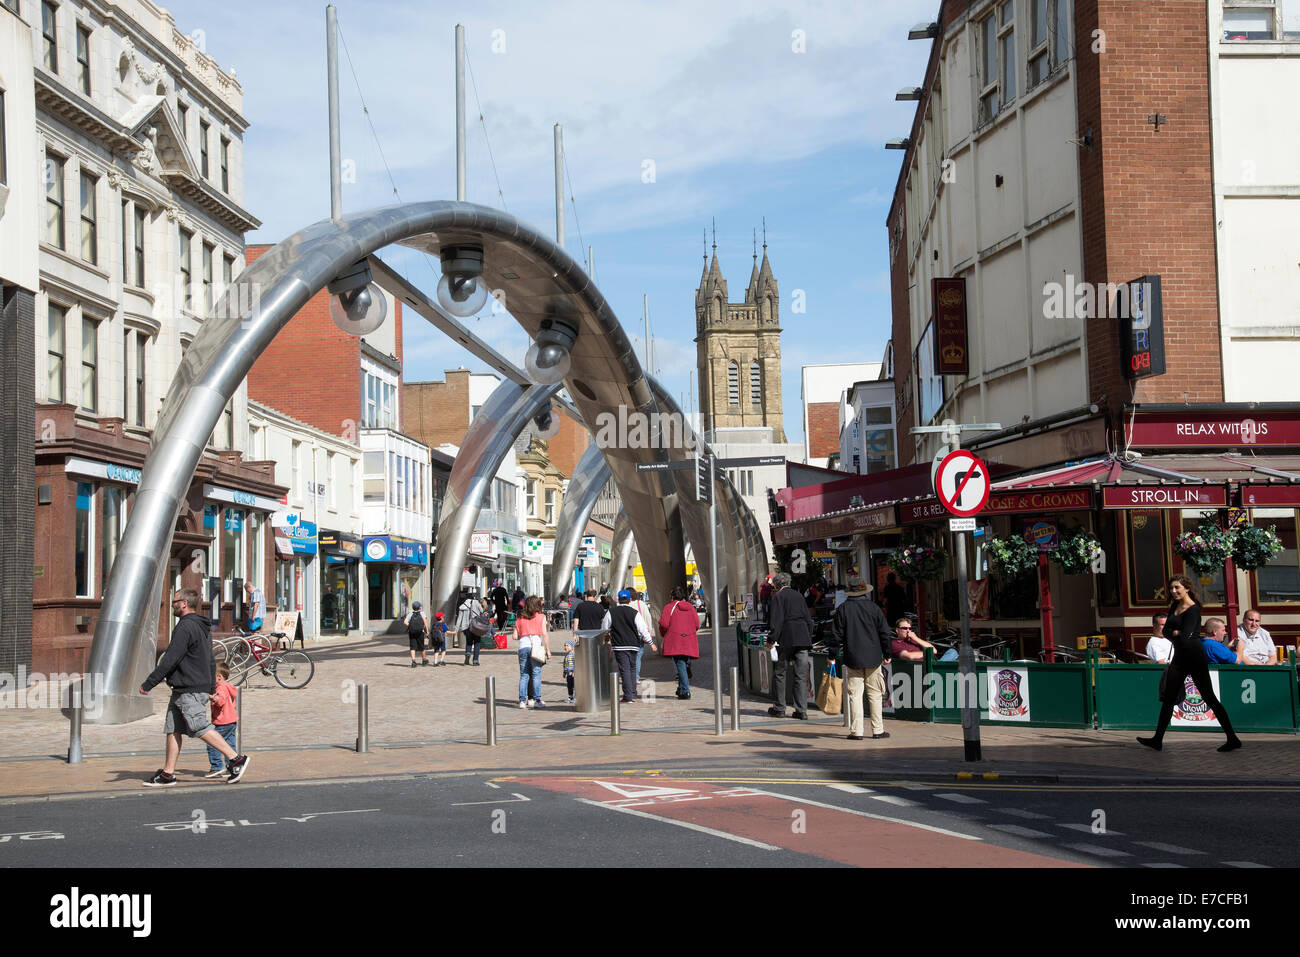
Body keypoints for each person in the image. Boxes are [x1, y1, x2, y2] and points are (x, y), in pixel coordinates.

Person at [140, 588, 250, 786]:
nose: (172, 604)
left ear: (184, 604)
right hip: (186, 687)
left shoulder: (185, 627)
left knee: (199, 726)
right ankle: (168, 773)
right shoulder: (201, 626)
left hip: (189, 687)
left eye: (175, 601)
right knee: (173, 729)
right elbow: (210, 658)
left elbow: (171, 658)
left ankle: (236, 759)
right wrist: (209, 686)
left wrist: (149, 683)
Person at [1138, 576, 1241, 753]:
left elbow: (1185, 636)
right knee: (1169, 698)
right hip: (1180, 657)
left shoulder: (1193, 609)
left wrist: (1176, 632)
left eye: (1177, 587)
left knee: (1209, 698)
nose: (1173, 591)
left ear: (1186, 588)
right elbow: (1168, 632)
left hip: (1194, 657)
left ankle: (1232, 738)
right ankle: (1157, 739)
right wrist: (1176, 632)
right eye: (1171, 588)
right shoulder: (1174, 606)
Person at [826, 578, 895, 740]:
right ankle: (878, 730)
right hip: (873, 658)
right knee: (875, 694)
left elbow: (836, 636)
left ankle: (856, 731)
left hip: (852, 658)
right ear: (864, 591)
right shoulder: (874, 608)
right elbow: (885, 633)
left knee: (855, 695)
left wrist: (832, 656)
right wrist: (887, 653)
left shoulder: (843, 610)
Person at [767, 572, 815, 719]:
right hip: (802, 638)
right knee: (801, 676)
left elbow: (776, 621)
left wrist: (771, 639)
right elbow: (808, 619)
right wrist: (809, 636)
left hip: (785, 639)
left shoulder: (778, 597)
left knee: (780, 673)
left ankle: (780, 707)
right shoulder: (799, 596)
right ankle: (801, 710)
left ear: (776, 584)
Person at [603, 589, 657, 703]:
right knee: (632, 668)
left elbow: (604, 628)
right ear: (629, 599)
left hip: (619, 645)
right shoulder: (634, 612)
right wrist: (651, 643)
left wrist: (606, 637)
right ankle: (633, 693)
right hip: (633, 644)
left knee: (624, 670)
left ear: (618, 599)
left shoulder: (611, 612)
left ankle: (628, 696)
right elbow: (643, 629)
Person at [658, 586, 701, 700]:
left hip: (675, 639)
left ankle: (685, 690)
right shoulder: (691, 607)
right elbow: (697, 624)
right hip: (688, 639)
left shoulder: (669, 607)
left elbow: (664, 624)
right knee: (682, 662)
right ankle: (681, 689)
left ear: (672, 596)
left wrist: (663, 634)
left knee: (680, 663)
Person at [513, 595, 551, 709]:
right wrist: (548, 650)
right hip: (536, 647)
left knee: (524, 674)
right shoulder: (541, 617)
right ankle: (537, 699)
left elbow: (515, 636)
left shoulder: (520, 618)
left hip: (523, 646)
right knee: (536, 674)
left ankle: (522, 701)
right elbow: (544, 634)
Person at [204, 662, 239, 778]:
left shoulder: (221, 687)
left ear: (219, 677)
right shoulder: (228, 686)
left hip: (223, 721)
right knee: (229, 744)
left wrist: (214, 697)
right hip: (231, 720)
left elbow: (221, 700)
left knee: (213, 743)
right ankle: (232, 766)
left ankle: (216, 766)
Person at [631, 588, 653, 684]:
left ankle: (628, 675)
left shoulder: (624, 606)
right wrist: (649, 632)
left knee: (628, 656)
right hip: (639, 634)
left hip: (627, 635)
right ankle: (635, 677)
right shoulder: (641, 604)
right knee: (638, 657)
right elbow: (648, 618)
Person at [457, 591, 485, 666]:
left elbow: (459, 619)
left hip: (466, 627)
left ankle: (468, 653)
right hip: (476, 626)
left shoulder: (462, 606)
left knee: (469, 642)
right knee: (477, 643)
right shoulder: (476, 602)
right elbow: (482, 611)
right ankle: (475, 660)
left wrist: (456, 630)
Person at [403, 601, 429, 668]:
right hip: (420, 632)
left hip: (412, 632)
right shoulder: (422, 613)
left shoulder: (410, 614)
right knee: (422, 646)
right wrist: (427, 631)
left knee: (412, 647)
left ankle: (413, 661)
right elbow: (425, 623)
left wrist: (411, 626)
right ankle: (424, 660)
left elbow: (405, 622)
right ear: (420, 607)